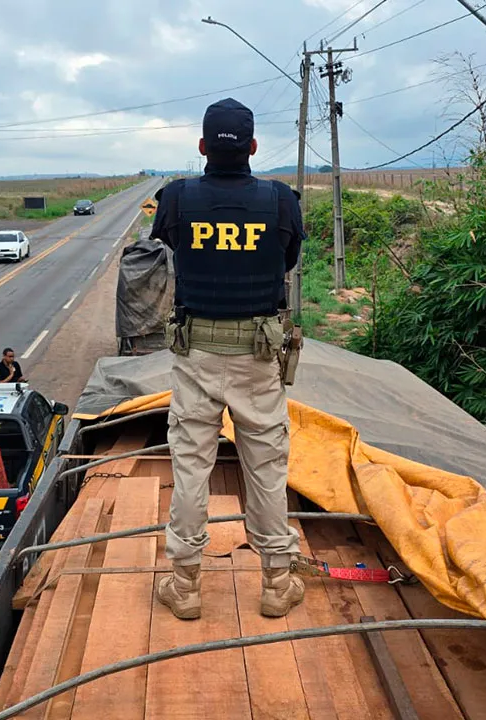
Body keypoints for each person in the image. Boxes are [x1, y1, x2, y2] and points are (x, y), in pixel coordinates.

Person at [149, 97, 305, 621]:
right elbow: (286, 261)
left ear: (201, 147)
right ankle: (277, 583)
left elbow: (174, 245)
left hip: (195, 355)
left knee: (191, 467)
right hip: (259, 358)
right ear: (254, 148)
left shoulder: (175, 199)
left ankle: (186, 585)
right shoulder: (282, 201)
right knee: (266, 468)